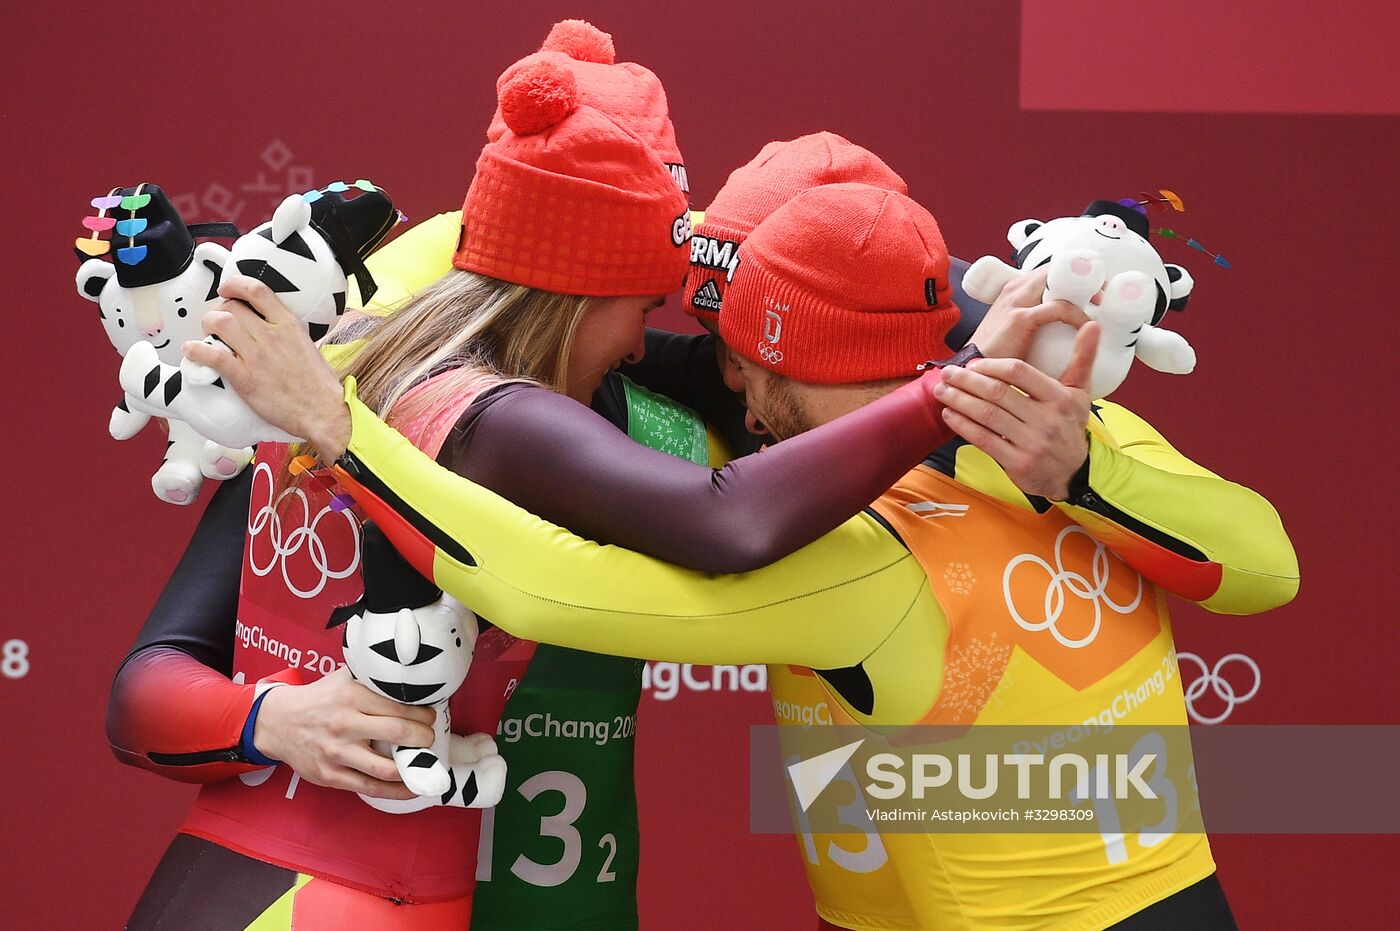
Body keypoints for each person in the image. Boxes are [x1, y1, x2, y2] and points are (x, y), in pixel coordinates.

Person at [108, 23, 1032, 930]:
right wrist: (271, 719)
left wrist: (991, 309)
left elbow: (840, 303)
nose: (643, 338)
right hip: (332, 892)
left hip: (471, 893)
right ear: (584, 289)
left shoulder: (338, 364)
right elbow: (140, 692)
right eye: (640, 303)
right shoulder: (431, 403)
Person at [212, 180, 1299, 929]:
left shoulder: (858, 557)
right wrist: (1084, 472)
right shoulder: (1058, 423)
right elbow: (1269, 565)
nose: (719, 379)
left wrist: (343, 432)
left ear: (788, 358)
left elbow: (544, 588)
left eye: (736, 355)